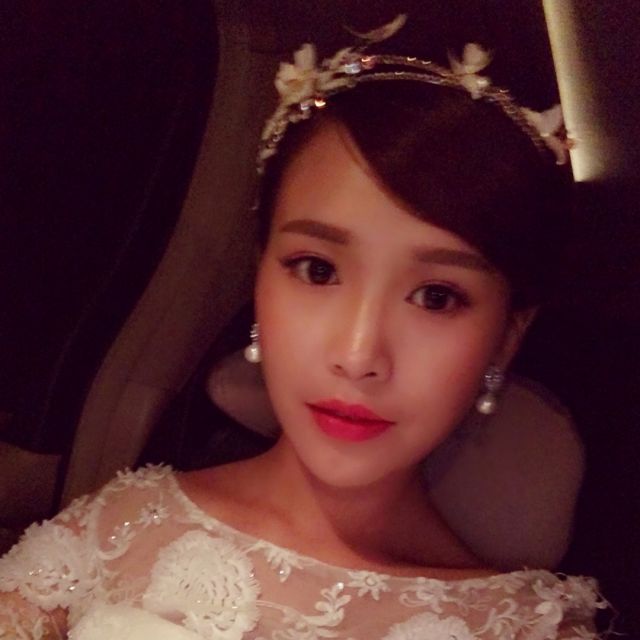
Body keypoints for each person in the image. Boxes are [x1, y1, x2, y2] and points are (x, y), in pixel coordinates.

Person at [0, 16, 608, 640]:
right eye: (317, 270)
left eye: (436, 297)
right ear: (259, 275)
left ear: (506, 337)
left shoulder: (525, 628)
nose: (358, 355)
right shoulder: (120, 527)